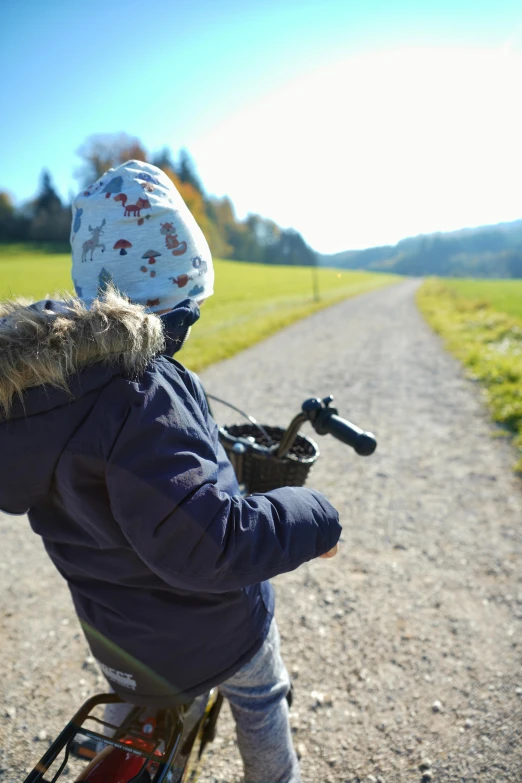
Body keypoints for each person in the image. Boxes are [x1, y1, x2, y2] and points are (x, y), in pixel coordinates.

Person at [0, 161, 341, 783]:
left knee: (135, 686)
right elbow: (215, 545)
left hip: (116, 637)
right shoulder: (142, 390)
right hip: (211, 633)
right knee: (262, 695)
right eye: (191, 307)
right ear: (168, 304)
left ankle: (119, 734)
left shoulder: (38, 393)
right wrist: (315, 517)